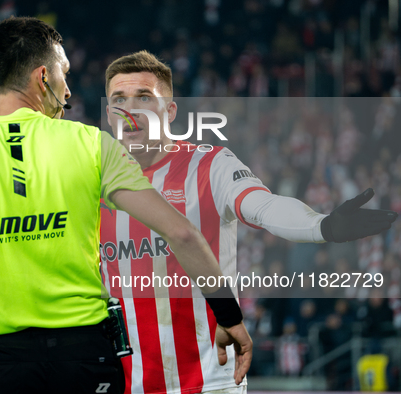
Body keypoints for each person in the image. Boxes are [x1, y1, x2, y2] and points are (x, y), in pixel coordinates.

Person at [0, 17, 252, 394]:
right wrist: (228, 315)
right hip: (82, 359)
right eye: (63, 73)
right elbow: (182, 232)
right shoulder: (91, 144)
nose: (67, 90)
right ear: (43, 77)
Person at [100, 50, 398, 394]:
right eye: (119, 99)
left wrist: (321, 226)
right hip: (129, 383)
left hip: (212, 380)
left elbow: (264, 206)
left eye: (144, 97)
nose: (130, 110)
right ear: (109, 114)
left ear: (170, 111)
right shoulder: (95, 182)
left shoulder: (209, 165)